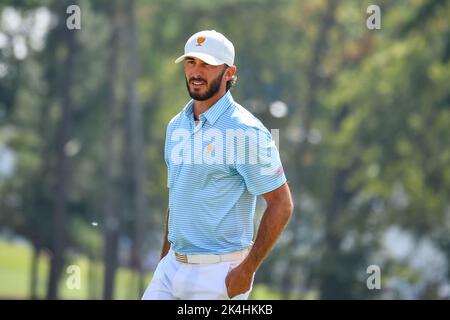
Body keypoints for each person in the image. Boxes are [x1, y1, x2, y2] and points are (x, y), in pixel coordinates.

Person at [142, 30, 293, 300]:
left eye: (207, 65)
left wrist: (247, 270)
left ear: (229, 73)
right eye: (191, 62)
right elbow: (177, 199)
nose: (196, 72)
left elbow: (282, 204)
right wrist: (164, 260)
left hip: (220, 275)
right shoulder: (176, 125)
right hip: (171, 270)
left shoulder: (246, 131)